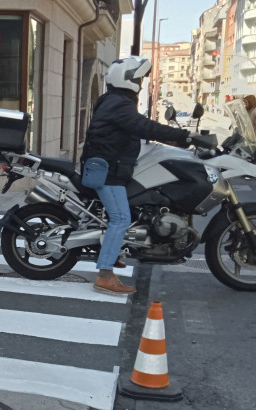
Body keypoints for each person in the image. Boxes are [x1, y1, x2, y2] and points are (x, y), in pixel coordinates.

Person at [81, 56, 191, 295]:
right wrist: (183, 136)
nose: (141, 83)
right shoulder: (120, 104)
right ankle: (105, 276)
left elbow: (136, 129)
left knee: (130, 210)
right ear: (128, 80)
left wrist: (170, 138)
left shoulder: (112, 100)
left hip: (109, 166)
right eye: (139, 78)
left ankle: (113, 250)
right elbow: (143, 126)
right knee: (121, 218)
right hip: (107, 171)